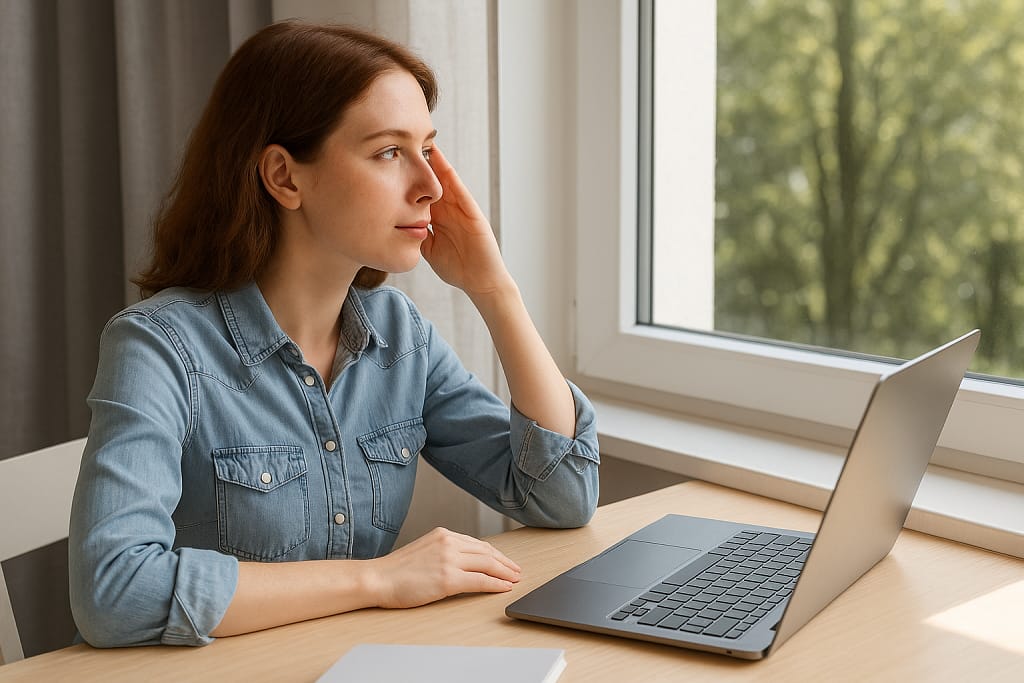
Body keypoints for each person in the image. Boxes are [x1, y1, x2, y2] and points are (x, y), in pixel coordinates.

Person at [68, 20, 600, 648]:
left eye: (427, 149)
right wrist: (375, 580)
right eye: (387, 152)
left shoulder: (400, 337)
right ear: (285, 177)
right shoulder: (158, 349)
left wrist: (495, 290)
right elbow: (114, 593)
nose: (430, 187)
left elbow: (563, 496)